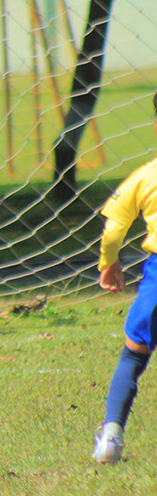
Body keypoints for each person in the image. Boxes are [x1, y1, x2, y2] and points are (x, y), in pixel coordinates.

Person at [93, 90, 157, 464]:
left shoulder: (146, 177)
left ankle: (111, 436)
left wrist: (109, 263)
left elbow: (114, 228)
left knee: (134, 353)